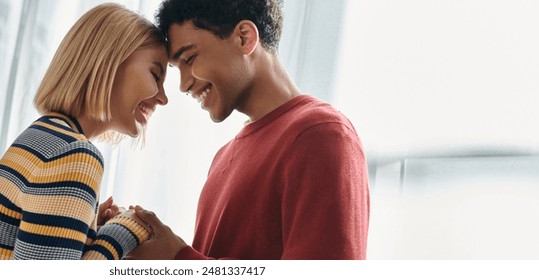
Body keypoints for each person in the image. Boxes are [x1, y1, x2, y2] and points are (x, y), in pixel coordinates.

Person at [127, 0, 370, 260]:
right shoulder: (223, 157)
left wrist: (179, 259)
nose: (184, 85)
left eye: (190, 58)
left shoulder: (322, 135)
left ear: (245, 38)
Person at [0, 3, 169, 260]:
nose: (163, 98)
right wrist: (123, 232)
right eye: (155, 75)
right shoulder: (75, 154)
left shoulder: (41, 136)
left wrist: (87, 229)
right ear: (108, 61)